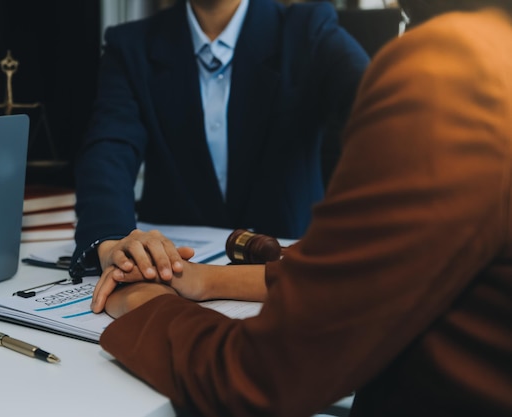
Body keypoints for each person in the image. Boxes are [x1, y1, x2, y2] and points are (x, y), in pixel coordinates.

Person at [93, 1, 512, 416]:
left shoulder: (450, 67)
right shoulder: (493, 49)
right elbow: (107, 151)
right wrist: (202, 277)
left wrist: (143, 301)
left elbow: (262, 375)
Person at [69, 0, 369, 281]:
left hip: (289, 269)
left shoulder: (308, 31)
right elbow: (109, 149)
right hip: (172, 270)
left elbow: (376, 111)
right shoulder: (132, 45)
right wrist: (111, 241)